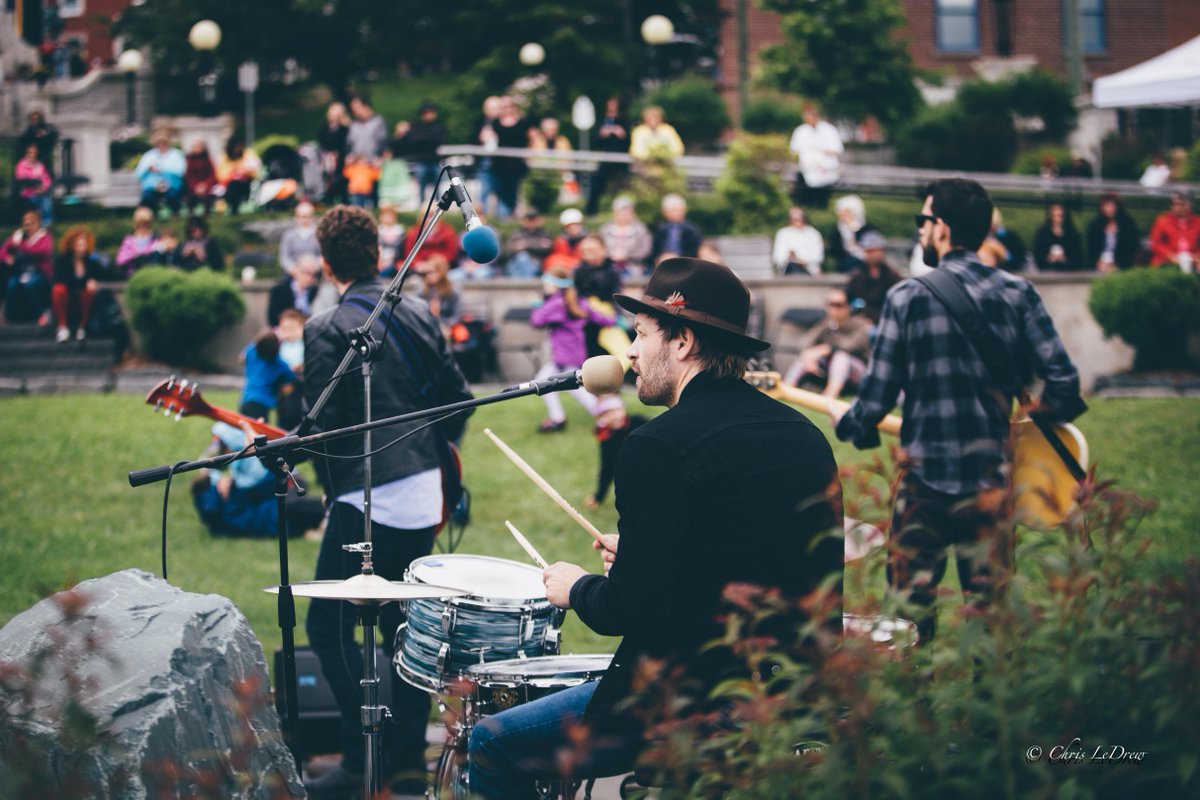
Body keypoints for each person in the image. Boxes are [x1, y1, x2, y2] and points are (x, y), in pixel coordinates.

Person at [468, 256, 843, 798]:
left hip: (691, 701)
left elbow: (629, 610)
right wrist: (648, 551)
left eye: (642, 335)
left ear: (683, 342)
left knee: (492, 740)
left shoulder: (657, 446)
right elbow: (758, 553)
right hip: (799, 689)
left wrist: (577, 588)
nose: (630, 353)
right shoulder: (804, 435)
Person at [833, 178, 1086, 645]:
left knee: (908, 625)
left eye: (923, 222)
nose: (919, 232)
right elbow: (1065, 387)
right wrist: (1019, 430)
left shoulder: (906, 298)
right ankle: (992, 715)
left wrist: (848, 423)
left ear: (942, 229)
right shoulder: (1019, 293)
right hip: (992, 486)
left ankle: (919, 709)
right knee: (991, 626)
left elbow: (874, 402)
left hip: (923, 489)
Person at [302, 205, 473, 797]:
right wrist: (431, 455)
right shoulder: (422, 311)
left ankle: (359, 753)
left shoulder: (326, 327)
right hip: (426, 492)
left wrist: (331, 495)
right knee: (404, 631)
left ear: (327, 264)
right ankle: (402, 765)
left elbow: (324, 430)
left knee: (326, 625)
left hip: (368, 498)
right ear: (377, 254)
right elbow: (460, 400)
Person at [191, 421, 325, 539]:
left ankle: (327, 511)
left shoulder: (233, 491)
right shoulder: (230, 506)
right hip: (283, 516)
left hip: (288, 489)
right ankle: (328, 510)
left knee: (289, 505)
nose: (224, 481)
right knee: (289, 506)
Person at [529, 265, 614, 432]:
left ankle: (605, 419)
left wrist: (537, 305)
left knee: (577, 390)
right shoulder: (578, 301)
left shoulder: (557, 303)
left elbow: (537, 320)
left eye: (546, 284)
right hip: (573, 354)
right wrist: (613, 321)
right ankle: (557, 417)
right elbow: (598, 317)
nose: (545, 287)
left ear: (555, 285)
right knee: (543, 380)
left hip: (564, 356)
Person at [783, 288, 872, 397]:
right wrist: (809, 358)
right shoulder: (827, 323)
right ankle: (786, 390)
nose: (833, 309)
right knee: (806, 355)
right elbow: (805, 341)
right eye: (830, 304)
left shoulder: (861, 324)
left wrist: (823, 349)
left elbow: (850, 345)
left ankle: (829, 396)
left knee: (841, 356)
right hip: (831, 372)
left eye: (838, 305)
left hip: (860, 374)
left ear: (849, 306)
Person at [582, 393, 646, 509]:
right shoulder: (606, 438)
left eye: (618, 410)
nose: (617, 416)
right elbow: (607, 469)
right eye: (609, 413)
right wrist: (598, 496)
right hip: (634, 475)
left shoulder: (638, 421)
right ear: (601, 418)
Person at [573, 234, 626, 361]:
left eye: (592, 250)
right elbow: (575, 294)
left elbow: (616, 294)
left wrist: (617, 314)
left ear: (603, 249)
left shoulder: (612, 270)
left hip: (607, 316)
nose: (588, 255)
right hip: (587, 318)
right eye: (585, 251)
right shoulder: (579, 270)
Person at [51, 225, 107, 342]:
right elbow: (61, 279)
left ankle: (83, 327)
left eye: (84, 244)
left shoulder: (90, 262)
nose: (82, 248)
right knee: (58, 289)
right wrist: (86, 282)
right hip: (66, 300)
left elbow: (106, 274)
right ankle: (62, 327)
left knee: (89, 290)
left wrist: (95, 282)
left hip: (83, 301)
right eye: (79, 245)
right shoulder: (62, 261)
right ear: (72, 245)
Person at [0, 209, 54, 324]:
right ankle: (7, 316)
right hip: (20, 272)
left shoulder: (45, 236)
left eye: (30, 224)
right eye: (25, 224)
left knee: (32, 285)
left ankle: (42, 314)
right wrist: (7, 258)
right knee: (11, 285)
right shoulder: (20, 236)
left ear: (38, 223)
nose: (27, 227)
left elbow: (42, 251)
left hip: (40, 273)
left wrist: (19, 245)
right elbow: (2, 251)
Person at [789, 102, 843, 209]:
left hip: (825, 167)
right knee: (803, 183)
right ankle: (807, 206)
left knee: (822, 188)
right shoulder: (800, 131)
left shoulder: (829, 130)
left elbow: (837, 150)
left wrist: (820, 152)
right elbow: (793, 150)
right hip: (806, 167)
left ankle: (821, 206)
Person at [239, 329, 296, 424]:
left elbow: (241, 359)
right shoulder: (281, 365)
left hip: (245, 399)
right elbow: (287, 390)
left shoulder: (251, 351)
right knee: (260, 435)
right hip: (261, 405)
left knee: (246, 431)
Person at [845, 230, 902, 324]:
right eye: (869, 251)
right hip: (861, 321)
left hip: (886, 319)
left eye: (876, 250)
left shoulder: (892, 275)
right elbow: (850, 300)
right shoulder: (857, 276)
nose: (873, 255)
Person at [393, 101, 446, 201]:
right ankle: (422, 207)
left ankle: (438, 206)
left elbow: (436, 141)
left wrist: (422, 139)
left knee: (437, 188)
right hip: (422, 161)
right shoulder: (419, 127)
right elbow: (411, 141)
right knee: (421, 188)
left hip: (434, 161)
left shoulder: (438, 127)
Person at [587, 97, 631, 215]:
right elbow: (595, 141)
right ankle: (591, 210)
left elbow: (630, 142)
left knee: (623, 187)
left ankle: (624, 212)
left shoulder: (625, 122)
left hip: (621, 160)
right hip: (606, 159)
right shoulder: (602, 122)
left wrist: (622, 134)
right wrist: (602, 135)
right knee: (597, 183)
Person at [491, 96, 531, 219]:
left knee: (516, 189)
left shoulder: (523, 123)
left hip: (517, 163)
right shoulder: (495, 123)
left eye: (510, 106)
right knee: (501, 189)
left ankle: (515, 212)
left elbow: (531, 138)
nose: (507, 109)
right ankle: (505, 214)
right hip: (500, 163)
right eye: (504, 107)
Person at [1085, 193, 1141, 272]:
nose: (1109, 209)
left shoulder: (1128, 224)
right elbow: (1092, 249)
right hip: (1100, 264)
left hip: (1121, 264)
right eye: (1106, 206)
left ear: (1117, 207)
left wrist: (1116, 264)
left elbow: (1130, 248)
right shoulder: (1095, 226)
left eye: (1112, 206)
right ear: (1101, 208)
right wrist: (1098, 262)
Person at [598, 196, 651, 277]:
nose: (623, 215)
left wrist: (627, 255)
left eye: (626, 212)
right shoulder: (605, 229)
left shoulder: (641, 230)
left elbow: (645, 250)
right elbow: (598, 247)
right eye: (620, 212)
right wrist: (610, 255)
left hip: (633, 267)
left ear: (632, 213)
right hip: (608, 266)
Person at [135, 131, 185, 215]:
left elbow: (180, 172)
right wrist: (148, 169)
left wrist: (162, 170)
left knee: (173, 196)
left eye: (164, 142)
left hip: (171, 185)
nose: (161, 145)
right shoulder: (149, 155)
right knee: (147, 197)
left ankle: (174, 216)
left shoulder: (176, 154)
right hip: (152, 186)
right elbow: (138, 174)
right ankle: (151, 217)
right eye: (158, 143)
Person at [1148, 191, 1200, 270]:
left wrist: (1197, 256)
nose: (1178, 207)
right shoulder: (1162, 221)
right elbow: (1156, 244)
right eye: (1175, 204)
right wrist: (1170, 255)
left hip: (1193, 259)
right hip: (1167, 259)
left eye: (1182, 204)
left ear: (1190, 205)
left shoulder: (1198, 222)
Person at [415, 253, 461, 340]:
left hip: (447, 326)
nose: (429, 275)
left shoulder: (453, 290)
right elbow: (417, 312)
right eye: (426, 273)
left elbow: (456, 315)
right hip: (427, 325)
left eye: (432, 272)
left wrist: (443, 324)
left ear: (441, 272)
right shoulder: (422, 290)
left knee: (443, 333)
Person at [275, 309, 308, 431]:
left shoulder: (306, 343)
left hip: (299, 391)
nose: (287, 332)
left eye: (291, 328)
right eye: (284, 328)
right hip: (283, 393)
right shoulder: (279, 345)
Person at [268, 253, 321, 327]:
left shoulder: (315, 292)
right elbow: (272, 319)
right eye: (307, 273)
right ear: (296, 271)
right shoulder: (279, 291)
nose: (310, 278)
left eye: (313, 275)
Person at [828, 194, 877, 273]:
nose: (843, 214)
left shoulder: (866, 227)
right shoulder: (837, 229)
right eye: (841, 211)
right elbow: (834, 249)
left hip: (865, 260)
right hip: (845, 261)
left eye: (847, 211)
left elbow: (871, 245)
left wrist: (854, 230)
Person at [649, 193, 702, 264]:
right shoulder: (660, 228)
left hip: (685, 263)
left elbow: (695, 251)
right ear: (664, 212)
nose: (673, 214)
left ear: (684, 209)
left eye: (676, 210)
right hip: (662, 263)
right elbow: (655, 250)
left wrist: (677, 256)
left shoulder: (691, 229)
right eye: (670, 211)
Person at [1032, 201, 1085, 271]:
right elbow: (1037, 254)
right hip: (1046, 272)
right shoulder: (1042, 234)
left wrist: (1065, 258)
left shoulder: (1073, 234)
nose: (1057, 219)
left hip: (1069, 272)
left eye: (1060, 216)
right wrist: (1048, 257)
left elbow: (1078, 255)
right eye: (1054, 215)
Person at [772, 206, 825, 275]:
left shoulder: (813, 234)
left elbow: (818, 257)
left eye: (799, 218)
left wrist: (799, 259)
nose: (797, 221)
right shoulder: (783, 233)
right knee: (793, 267)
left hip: (810, 270)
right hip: (788, 270)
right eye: (794, 219)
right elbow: (778, 257)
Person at [217, 135, 261, 215]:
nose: (238, 149)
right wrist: (232, 172)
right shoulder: (224, 157)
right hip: (229, 184)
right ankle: (232, 207)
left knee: (235, 186)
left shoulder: (248, 153)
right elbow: (220, 174)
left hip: (246, 183)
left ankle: (227, 202)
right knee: (233, 185)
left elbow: (256, 170)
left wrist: (245, 172)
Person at [316, 101, 350, 204]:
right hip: (327, 158)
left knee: (340, 180)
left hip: (341, 158)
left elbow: (346, 144)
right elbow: (321, 141)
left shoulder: (345, 128)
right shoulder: (325, 128)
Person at [504, 210, 555, 278]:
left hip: (536, 263)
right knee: (521, 258)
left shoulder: (545, 234)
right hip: (515, 264)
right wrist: (536, 244)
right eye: (529, 219)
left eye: (534, 219)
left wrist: (526, 246)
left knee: (523, 257)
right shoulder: (516, 234)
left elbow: (548, 249)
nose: (531, 222)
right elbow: (507, 251)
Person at [13, 144, 53, 225]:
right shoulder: (22, 165)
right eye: (30, 152)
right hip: (28, 192)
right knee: (39, 200)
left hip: (41, 191)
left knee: (46, 200)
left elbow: (47, 178)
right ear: (26, 153)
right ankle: (39, 222)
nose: (32, 154)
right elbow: (22, 179)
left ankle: (47, 223)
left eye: (34, 153)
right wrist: (35, 187)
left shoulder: (40, 165)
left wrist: (44, 187)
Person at [347, 95, 389, 163]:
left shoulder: (378, 122)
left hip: (373, 163)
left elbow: (383, 143)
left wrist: (378, 157)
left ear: (365, 106)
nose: (354, 112)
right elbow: (349, 144)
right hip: (356, 163)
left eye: (356, 108)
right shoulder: (354, 125)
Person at [183, 139, 218, 217]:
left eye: (198, 147)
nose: (196, 149)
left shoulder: (207, 160)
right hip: (194, 187)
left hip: (206, 186)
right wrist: (195, 186)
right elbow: (188, 176)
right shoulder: (190, 161)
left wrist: (205, 185)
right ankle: (191, 214)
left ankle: (206, 213)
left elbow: (212, 175)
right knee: (190, 197)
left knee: (208, 197)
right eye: (195, 147)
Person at [545, 208, 587, 272]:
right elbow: (554, 259)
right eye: (569, 226)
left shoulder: (588, 241)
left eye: (576, 225)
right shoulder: (559, 241)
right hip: (564, 271)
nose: (573, 228)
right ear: (565, 228)